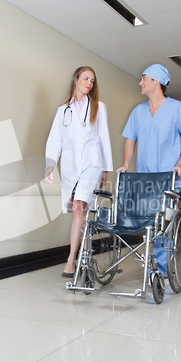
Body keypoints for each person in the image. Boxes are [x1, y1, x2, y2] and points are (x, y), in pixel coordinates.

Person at [116, 63, 181, 273]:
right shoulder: (138, 111)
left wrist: (180, 163)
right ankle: (152, 266)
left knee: (164, 226)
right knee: (149, 225)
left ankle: (159, 271)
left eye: (144, 78)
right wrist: (126, 163)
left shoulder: (177, 108)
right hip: (145, 180)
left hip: (169, 179)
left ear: (156, 81)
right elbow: (130, 140)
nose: (140, 82)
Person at [45, 66, 113, 277]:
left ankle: (70, 260)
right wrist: (49, 164)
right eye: (85, 79)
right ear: (76, 80)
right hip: (70, 166)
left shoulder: (98, 107)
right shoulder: (63, 110)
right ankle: (85, 254)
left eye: (92, 81)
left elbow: (104, 138)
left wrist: (105, 169)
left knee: (78, 206)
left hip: (92, 164)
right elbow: (56, 139)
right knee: (79, 211)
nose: (89, 84)